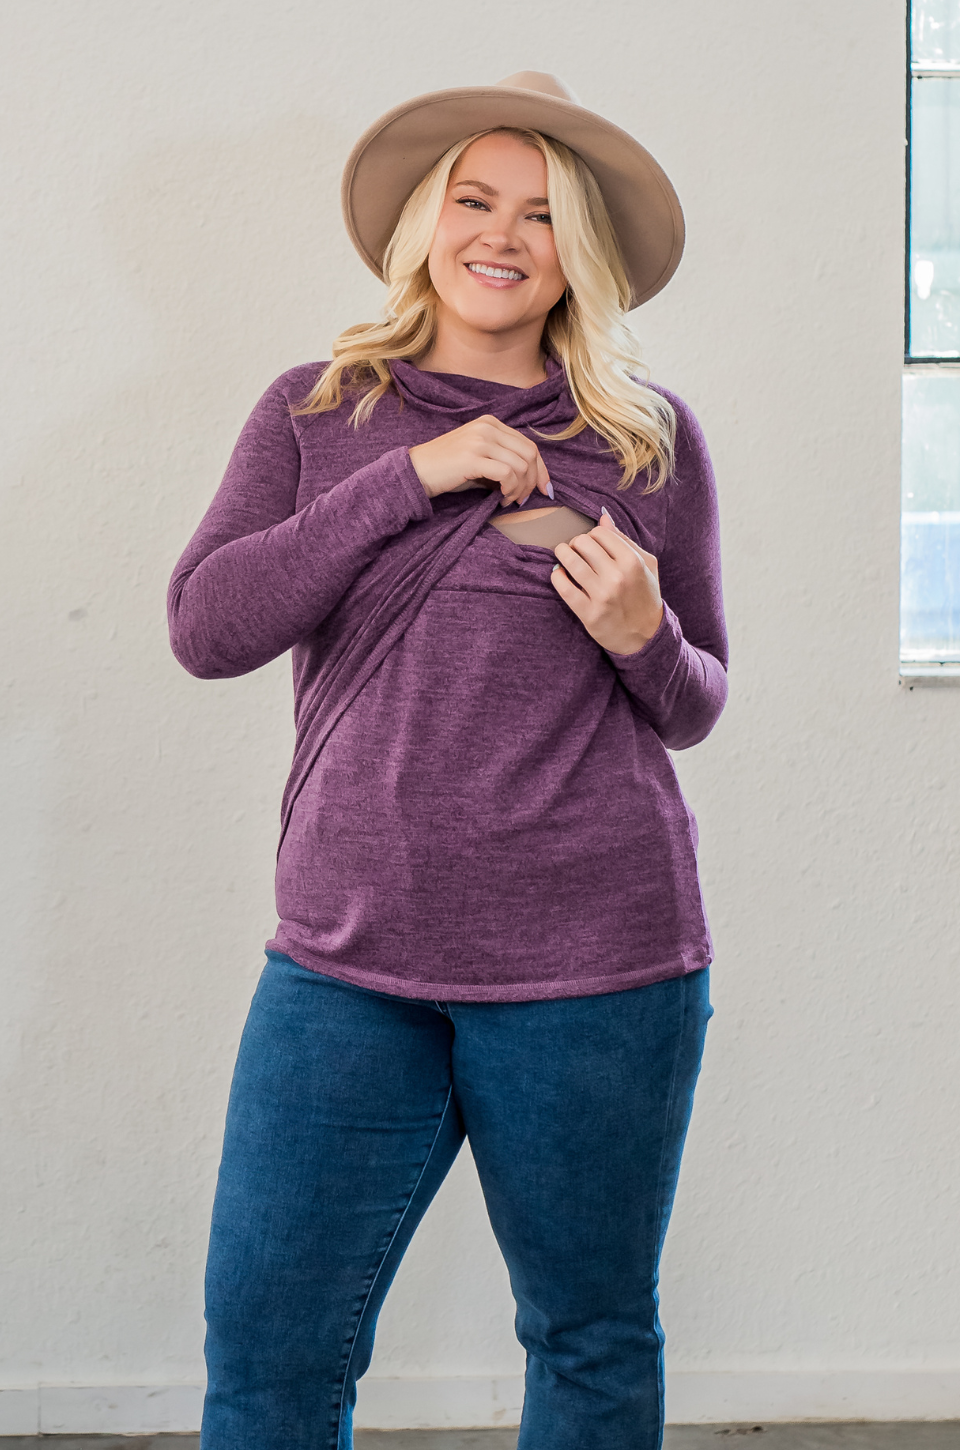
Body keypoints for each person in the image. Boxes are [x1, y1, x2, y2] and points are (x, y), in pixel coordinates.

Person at [167, 70, 728, 1450]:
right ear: (424, 221)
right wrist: (411, 476)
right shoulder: (315, 411)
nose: (503, 235)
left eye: (543, 215)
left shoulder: (644, 438)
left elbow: (696, 700)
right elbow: (207, 628)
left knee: (590, 1336)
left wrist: (644, 633)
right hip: (346, 962)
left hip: (597, 966)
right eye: (476, 200)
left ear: (578, 253)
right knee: (268, 1351)